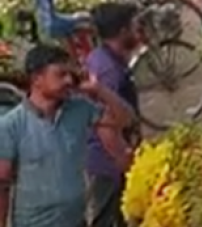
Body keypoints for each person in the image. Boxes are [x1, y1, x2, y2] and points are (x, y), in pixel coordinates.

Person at [0, 44, 136, 227]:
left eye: (70, 74)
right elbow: (2, 185)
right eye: (60, 74)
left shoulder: (80, 108)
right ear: (37, 78)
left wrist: (98, 90)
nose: (69, 81)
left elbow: (126, 120)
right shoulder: (11, 125)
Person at [86, 2, 142, 227]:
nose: (139, 31)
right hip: (108, 163)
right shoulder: (108, 71)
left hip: (109, 158)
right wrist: (124, 159)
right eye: (135, 26)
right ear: (122, 32)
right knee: (109, 218)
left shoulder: (104, 59)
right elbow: (104, 124)